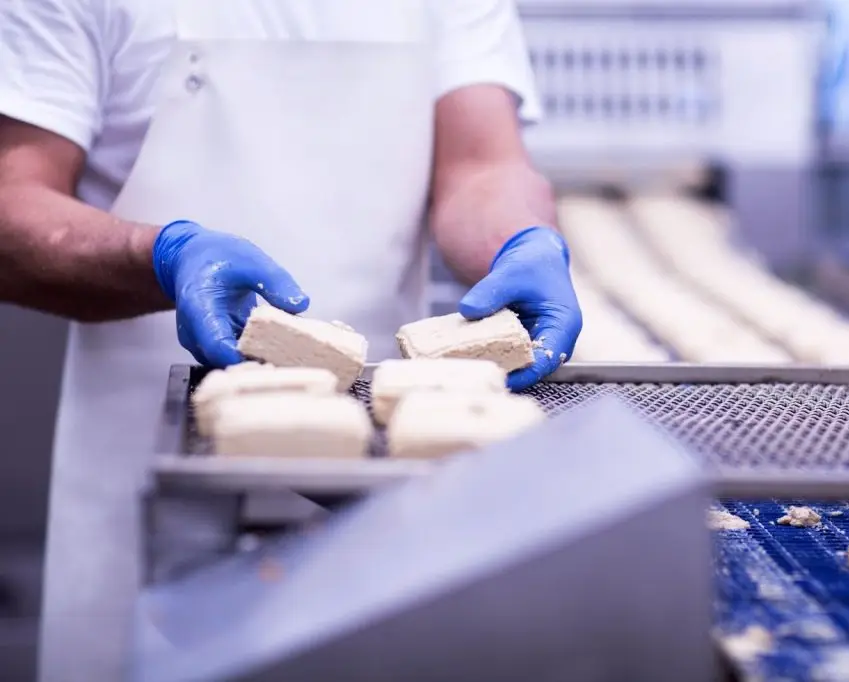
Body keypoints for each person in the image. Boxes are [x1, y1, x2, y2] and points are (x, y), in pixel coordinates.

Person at [0, 1, 582, 678]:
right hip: (145, 475)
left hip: (387, 473)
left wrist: (516, 239)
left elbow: (481, 166)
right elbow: (14, 203)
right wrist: (158, 255)